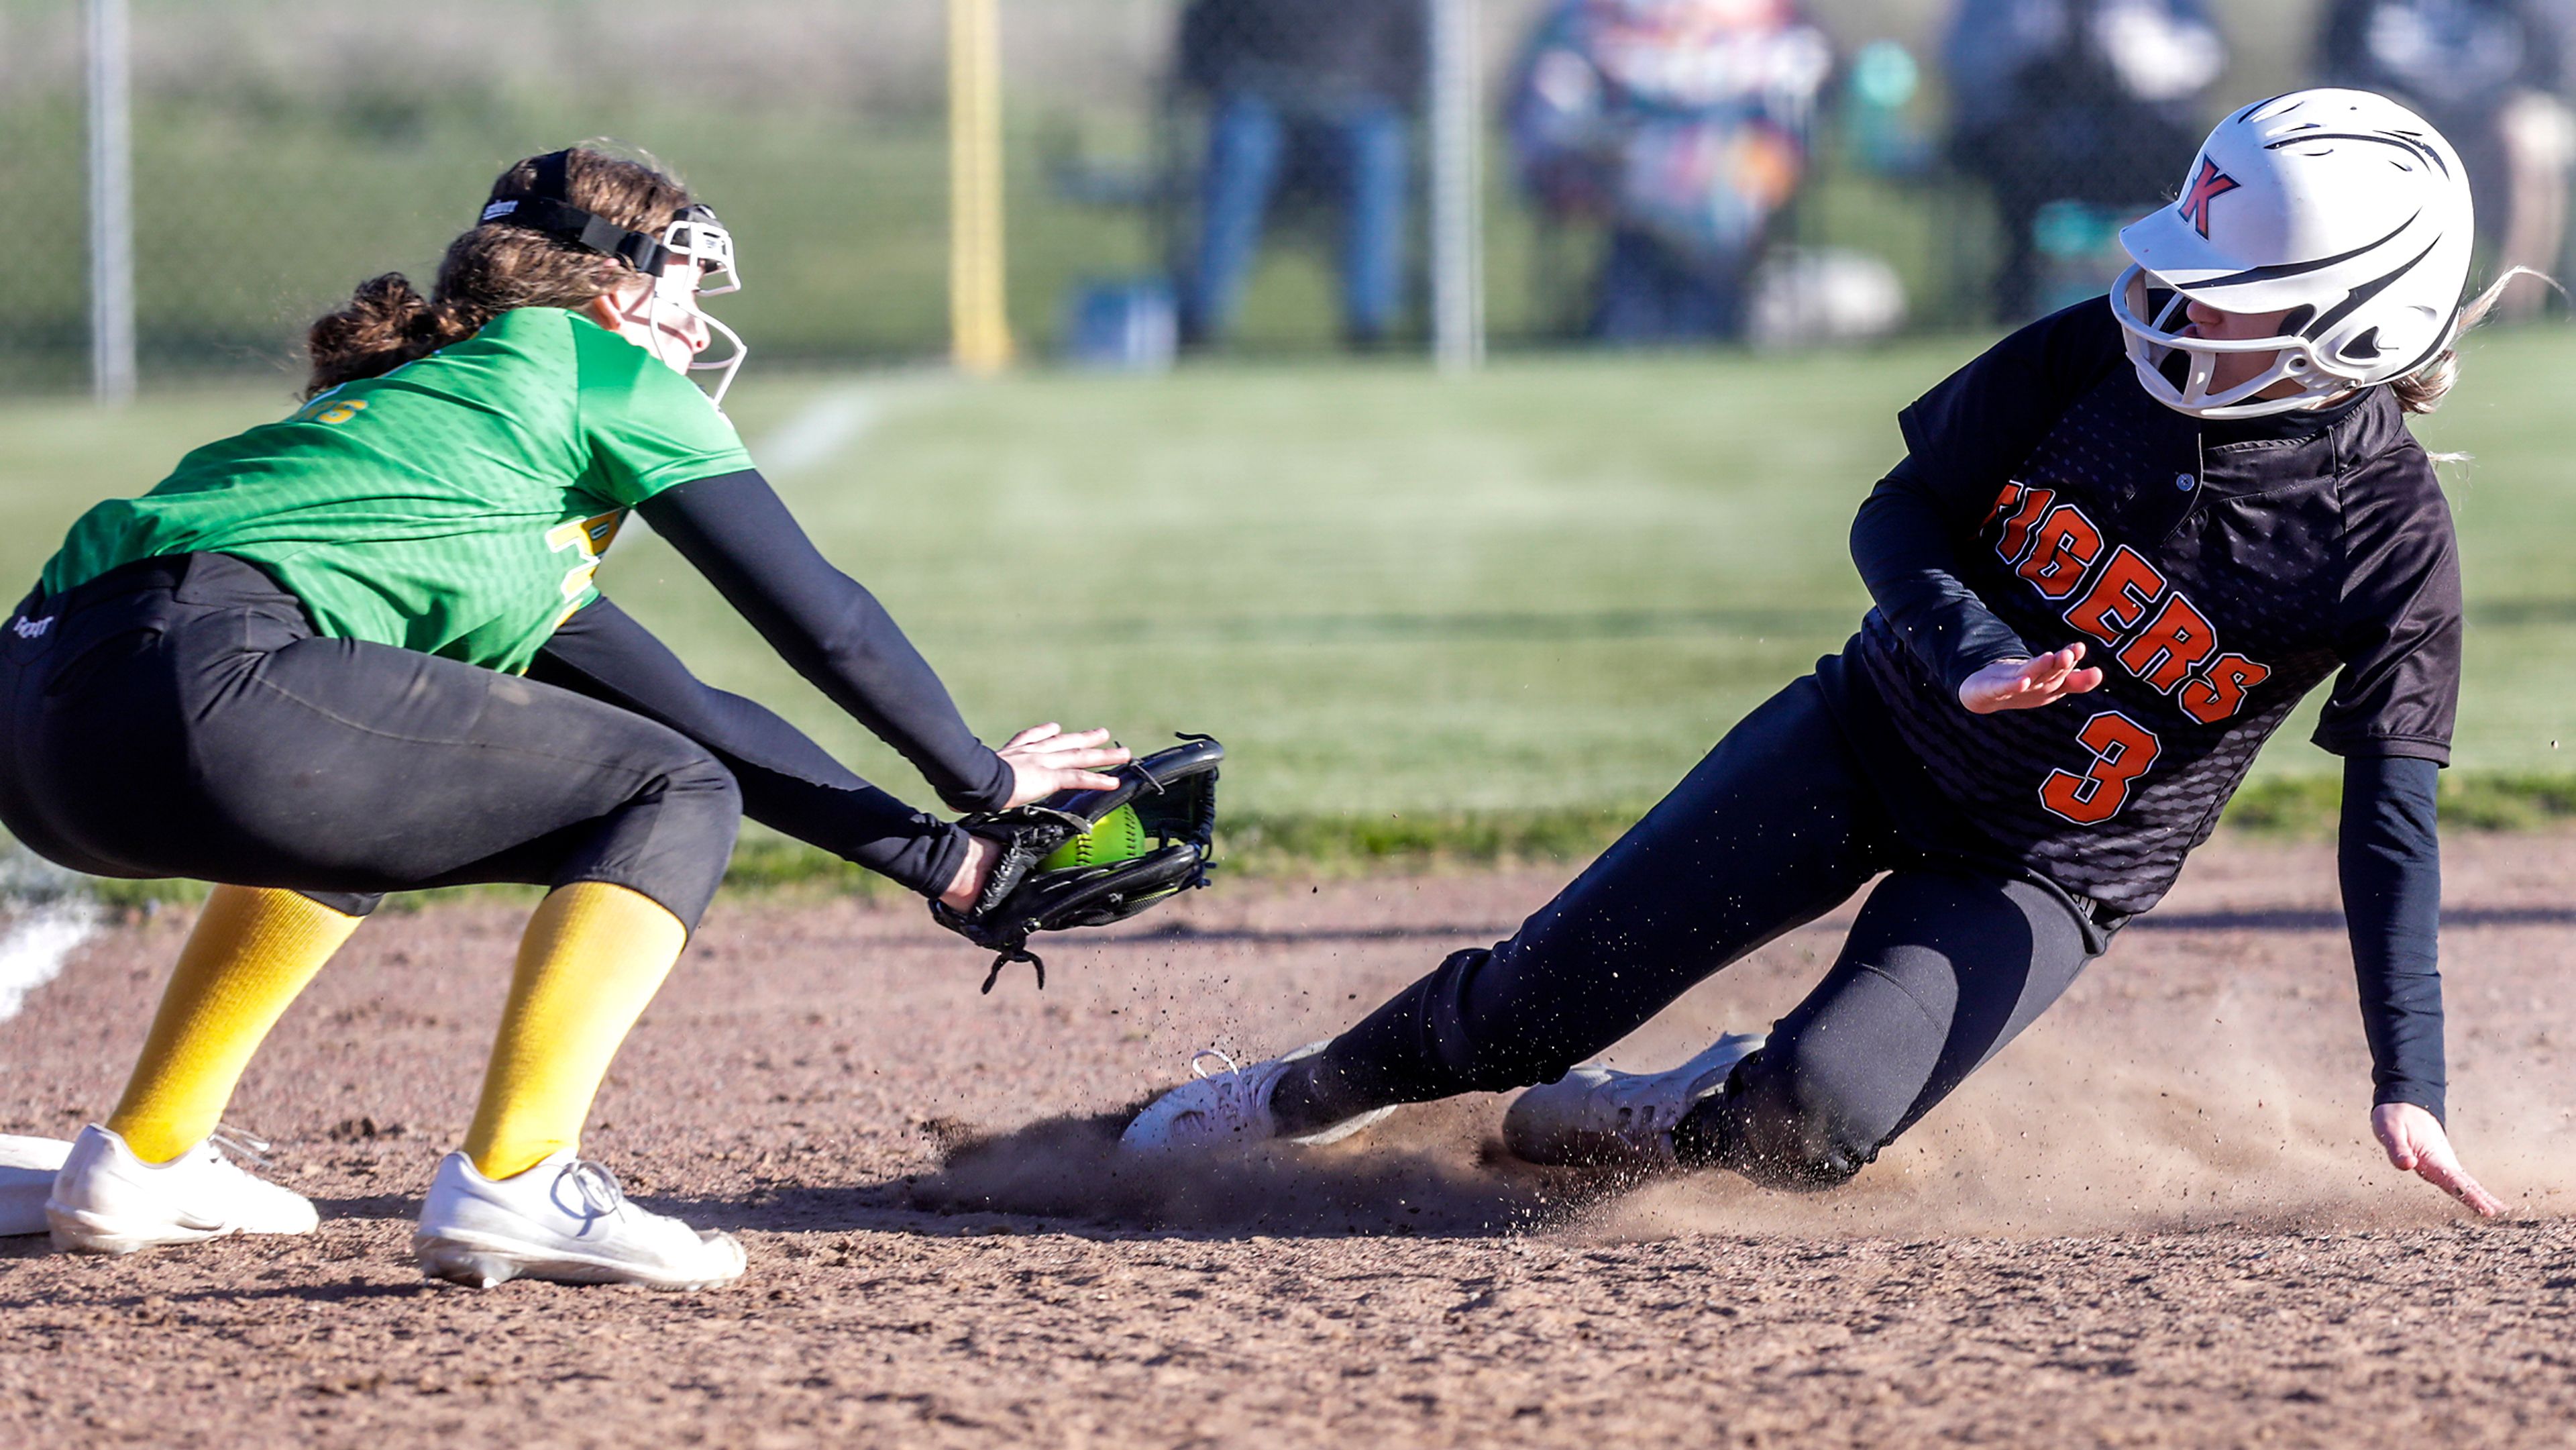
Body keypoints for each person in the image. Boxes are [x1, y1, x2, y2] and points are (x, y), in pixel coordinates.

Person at [1122, 91, 2512, 1223]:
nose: (2173, 298)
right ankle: (1300, 1097)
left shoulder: (2384, 544)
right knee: (1527, 1009)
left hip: (2038, 869)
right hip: (1870, 737)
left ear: (2364, 325)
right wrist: (1967, 648)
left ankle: (1673, 1109)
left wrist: (2410, 1076)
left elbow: (2387, 826)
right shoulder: (2098, 357)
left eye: (2229, 287)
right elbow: (1899, 511)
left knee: (1811, 1125)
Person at [5, 147, 1133, 1289]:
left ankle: (141, 1159)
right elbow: (826, 623)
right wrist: (985, 779)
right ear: (615, 287)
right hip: (208, 682)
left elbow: (698, 710)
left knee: (396, 778)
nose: (695, 332)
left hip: (42, 722)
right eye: (685, 290)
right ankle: (519, 1176)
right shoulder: (586, 363)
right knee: (675, 792)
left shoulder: (461, 435)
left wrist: (950, 862)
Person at [1505, 0, 1833, 342]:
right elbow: (1553, 110)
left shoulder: (1768, 19)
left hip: (1729, 180)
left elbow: (1796, 93)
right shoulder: (1586, 16)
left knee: (1715, 197)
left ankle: (1709, 310)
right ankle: (1647, 313)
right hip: (1625, 171)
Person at [1944, 0, 2226, 322]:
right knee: (2015, 156)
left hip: (2132, 130)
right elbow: (1965, 61)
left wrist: (2132, 50)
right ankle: (2016, 300)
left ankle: (2177, 291)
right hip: (2029, 134)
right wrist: (2024, 56)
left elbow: (2201, 56)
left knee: (2176, 154)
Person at [1173, 0, 1428, 350]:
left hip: (1350, 115)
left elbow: (1412, 64)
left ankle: (1369, 325)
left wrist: (1374, 89)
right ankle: (1198, 323)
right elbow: (1198, 48)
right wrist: (1232, 81)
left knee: (1377, 148)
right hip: (1259, 108)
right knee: (1241, 146)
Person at [2318, 0, 2576, 319]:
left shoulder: (2525, 8)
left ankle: (2514, 307)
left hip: (2493, 113)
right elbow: (2337, 69)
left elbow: (2546, 72)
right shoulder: (2359, 7)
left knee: (2526, 133)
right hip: (2406, 113)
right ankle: (2374, 301)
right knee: (2370, 129)